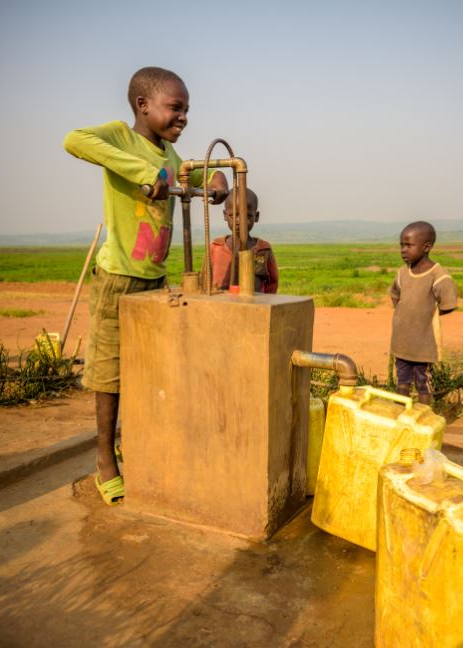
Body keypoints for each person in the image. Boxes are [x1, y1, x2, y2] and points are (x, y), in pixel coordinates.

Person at [63, 66, 228, 505]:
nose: (184, 118)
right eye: (176, 108)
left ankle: (137, 446)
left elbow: (193, 177)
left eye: (187, 110)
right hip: (118, 277)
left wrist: (216, 180)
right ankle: (104, 460)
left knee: (147, 370)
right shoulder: (121, 137)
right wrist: (140, 172)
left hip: (156, 279)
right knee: (110, 372)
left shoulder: (173, 159)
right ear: (143, 105)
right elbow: (75, 140)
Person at [389, 221, 457, 405]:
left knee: (422, 380)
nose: (403, 250)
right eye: (401, 245)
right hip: (402, 340)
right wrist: (405, 314)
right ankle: (400, 415)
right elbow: (394, 295)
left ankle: (424, 417)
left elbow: (448, 303)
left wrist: (425, 316)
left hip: (424, 342)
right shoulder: (402, 273)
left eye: (409, 245)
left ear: (427, 247)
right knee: (402, 379)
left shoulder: (438, 275)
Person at [205, 187, 279, 293]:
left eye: (247, 216)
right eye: (233, 215)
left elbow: (272, 284)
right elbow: (205, 280)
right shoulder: (216, 247)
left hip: (256, 306)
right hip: (221, 307)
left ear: (256, 216)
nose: (240, 221)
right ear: (225, 215)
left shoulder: (263, 249)